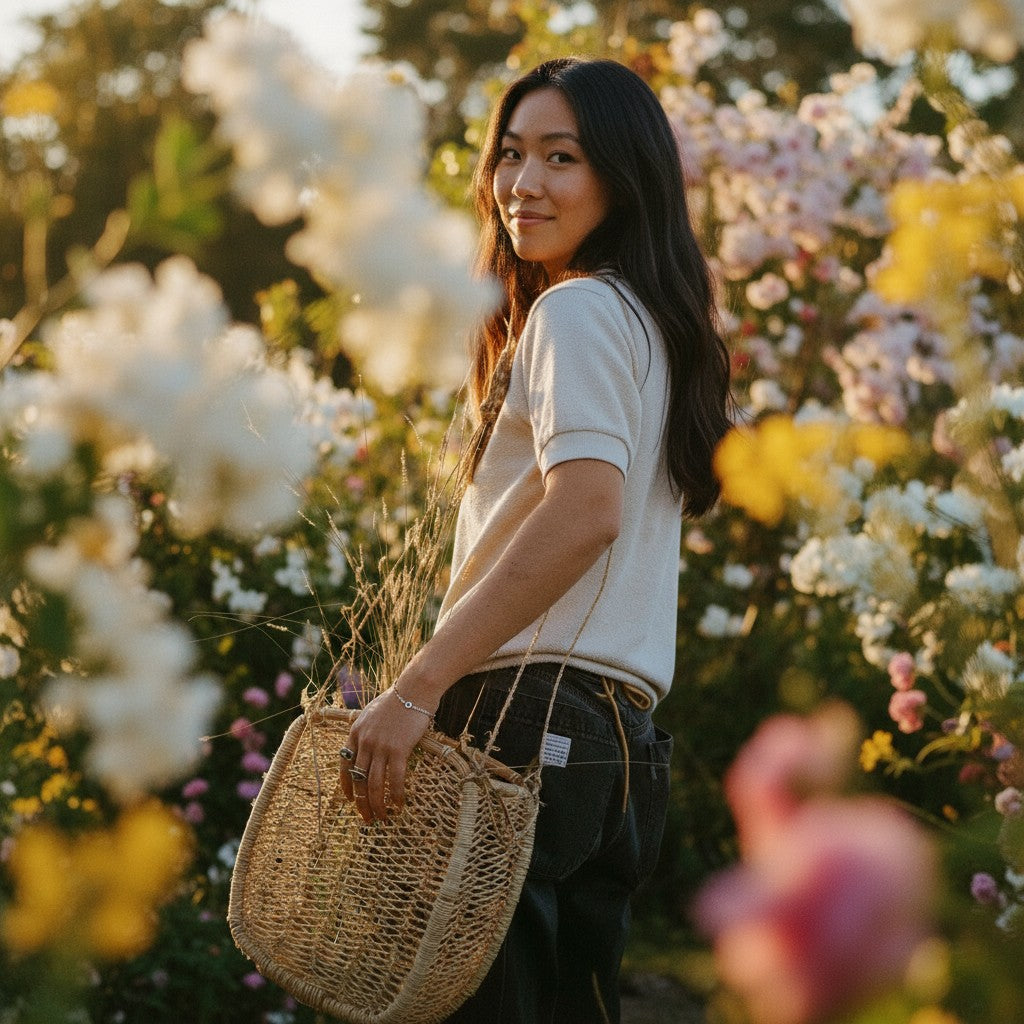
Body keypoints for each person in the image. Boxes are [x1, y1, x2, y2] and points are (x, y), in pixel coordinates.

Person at [340, 56, 732, 1023]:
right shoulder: (652, 327)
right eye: (512, 155)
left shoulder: (575, 311)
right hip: (620, 745)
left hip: (523, 717)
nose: (524, 183)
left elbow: (586, 511)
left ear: (622, 176)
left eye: (562, 157)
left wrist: (415, 688)